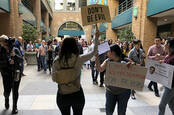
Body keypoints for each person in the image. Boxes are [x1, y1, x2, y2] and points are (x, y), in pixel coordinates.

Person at [52, 30, 99, 115]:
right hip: (77, 94)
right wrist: (96, 38)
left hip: (62, 95)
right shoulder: (79, 59)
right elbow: (94, 52)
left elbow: (54, 78)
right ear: (75, 46)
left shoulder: (57, 60)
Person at [96, 44, 131, 115]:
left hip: (123, 92)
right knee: (109, 112)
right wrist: (96, 57)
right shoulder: (107, 61)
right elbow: (100, 69)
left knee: (121, 112)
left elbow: (136, 69)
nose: (106, 53)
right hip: (110, 91)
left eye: (108, 51)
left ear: (113, 52)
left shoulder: (125, 60)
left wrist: (131, 66)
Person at [0, 35, 23, 114]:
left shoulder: (15, 49)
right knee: (7, 91)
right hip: (6, 74)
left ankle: (14, 107)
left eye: (5, 42)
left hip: (15, 73)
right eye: (2, 42)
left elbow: (21, 59)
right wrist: (7, 62)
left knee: (15, 90)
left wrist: (15, 56)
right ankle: (6, 99)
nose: (5, 44)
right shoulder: (1, 51)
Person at [158, 38, 174, 115]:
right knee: (171, 105)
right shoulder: (169, 56)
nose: (163, 45)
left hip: (171, 86)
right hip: (167, 84)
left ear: (168, 45)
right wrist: (163, 62)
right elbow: (167, 62)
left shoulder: (173, 58)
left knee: (161, 105)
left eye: (164, 43)